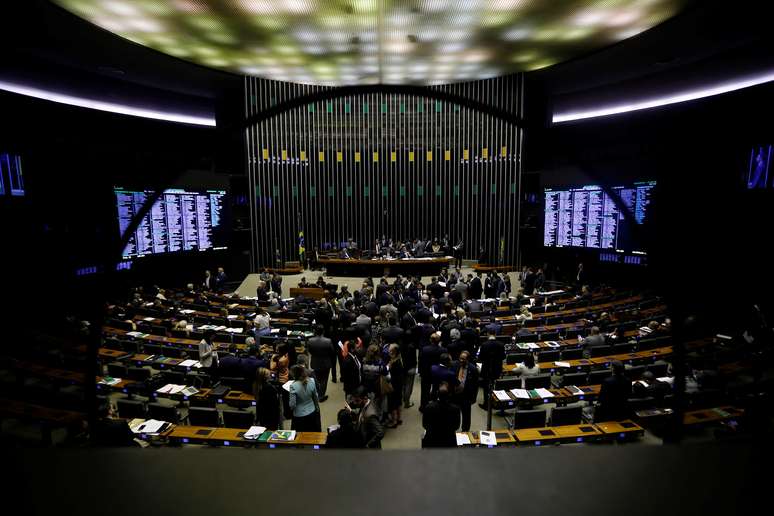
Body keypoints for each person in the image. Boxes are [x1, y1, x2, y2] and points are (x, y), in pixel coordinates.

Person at [421, 382, 461, 448]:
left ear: (437, 394)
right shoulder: (456, 409)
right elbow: (456, 426)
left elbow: (425, 425)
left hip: (431, 440)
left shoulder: (428, 407)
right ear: (449, 394)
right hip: (449, 441)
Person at [477, 328, 505, 410]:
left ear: (488, 334)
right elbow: (503, 357)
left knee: (486, 387)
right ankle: (495, 402)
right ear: (495, 334)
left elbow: (480, 358)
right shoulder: (501, 344)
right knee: (495, 386)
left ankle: (486, 404)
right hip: (497, 369)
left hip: (486, 369)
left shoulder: (484, 344)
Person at [307, 325, 336, 401]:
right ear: (323, 331)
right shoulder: (328, 341)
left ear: (315, 331)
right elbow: (332, 351)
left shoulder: (310, 340)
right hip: (325, 363)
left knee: (316, 379)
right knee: (324, 380)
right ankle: (321, 396)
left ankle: (317, 393)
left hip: (315, 362)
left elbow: (309, 351)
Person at [288, 364, 321, 431]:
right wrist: (317, 408)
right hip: (312, 411)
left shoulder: (293, 386)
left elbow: (292, 405)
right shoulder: (311, 380)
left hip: (300, 416)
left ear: (294, 375)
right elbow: (315, 397)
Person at [453, 351, 479, 431]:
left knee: (466, 416)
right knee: (455, 415)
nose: (461, 360)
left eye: (463, 359)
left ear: (468, 360)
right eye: (460, 358)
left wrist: (474, 398)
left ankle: (465, 431)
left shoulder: (473, 369)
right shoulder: (455, 365)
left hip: (466, 396)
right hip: (455, 395)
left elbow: (475, 385)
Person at [386, 343, 405, 428]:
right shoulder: (399, 359)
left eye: (389, 350)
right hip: (399, 385)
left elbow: (391, 376)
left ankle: (394, 421)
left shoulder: (394, 363)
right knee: (398, 402)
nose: (388, 351)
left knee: (393, 403)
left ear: (393, 352)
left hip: (393, 385)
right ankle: (399, 418)